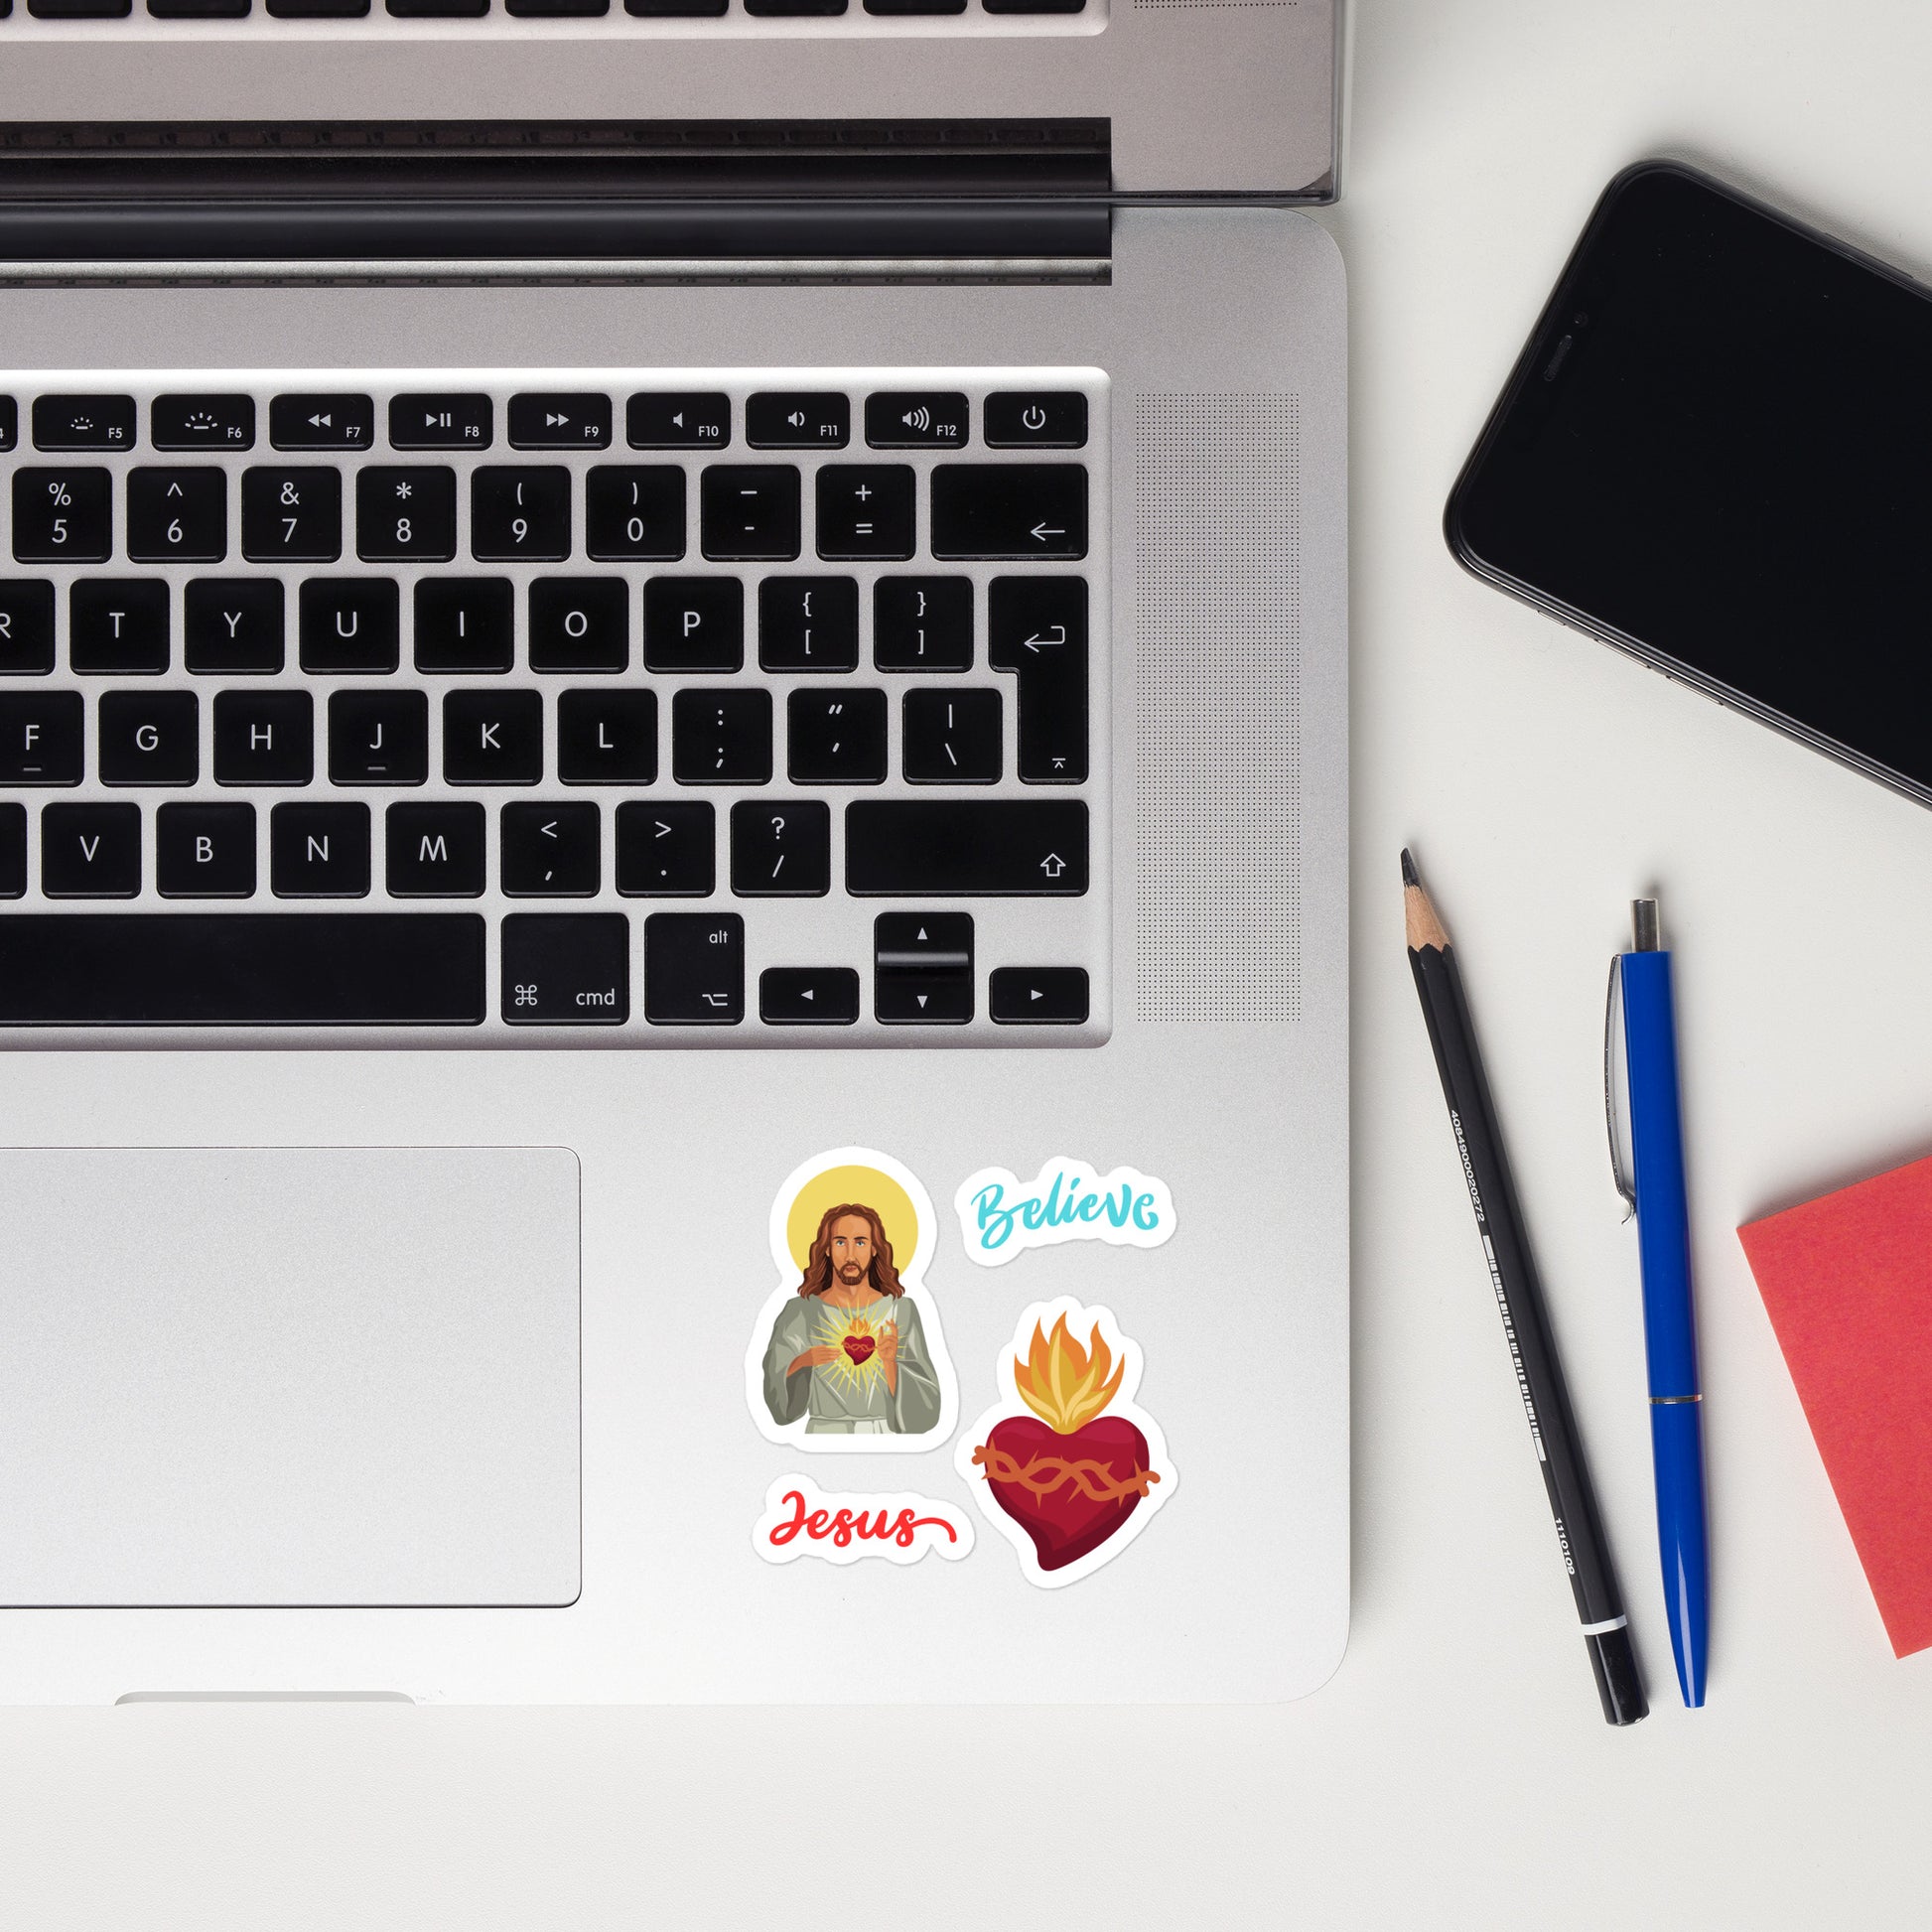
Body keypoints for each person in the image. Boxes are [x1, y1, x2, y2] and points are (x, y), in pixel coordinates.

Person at [760, 1202, 942, 1436]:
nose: (850, 1255)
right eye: (839, 1242)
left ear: (874, 1249)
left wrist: (890, 1364)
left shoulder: (900, 1310)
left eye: (860, 1242)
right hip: (826, 1434)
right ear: (826, 1249)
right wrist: (803, 1361)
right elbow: (777, 1397)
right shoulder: (802, 1311)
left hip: (884, 1436)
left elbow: (928, 1406)